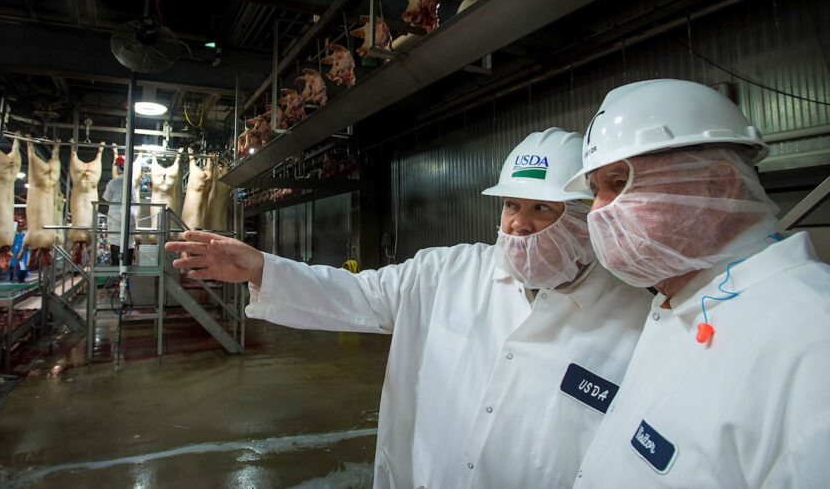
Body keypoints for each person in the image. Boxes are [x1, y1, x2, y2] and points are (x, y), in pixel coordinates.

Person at [166, 128, 654, 487]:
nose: (518, 226)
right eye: (511, 206)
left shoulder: (639, 320)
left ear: (586, 218)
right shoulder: (448, 273)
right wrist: (261, 269)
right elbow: (357, 293)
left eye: (541, 209)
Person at [565, 79, 830, 486]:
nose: (598, 212)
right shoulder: (680, 302)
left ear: (718, 187)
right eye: (595, 191)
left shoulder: (812, 342)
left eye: (620, 183)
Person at [102, 154, 136, 266]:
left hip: (115, 219)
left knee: (116, 246)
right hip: (130, 218)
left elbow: (106, 198)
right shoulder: (132, 183)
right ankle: (127, 278)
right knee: (129, 245)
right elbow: (135, 200)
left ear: (117, 167)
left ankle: (117, 278)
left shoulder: (112, 183)